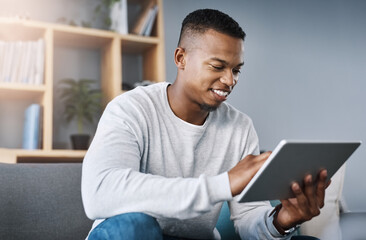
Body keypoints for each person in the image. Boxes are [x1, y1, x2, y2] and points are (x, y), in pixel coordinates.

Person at [81, 9, 329, 240]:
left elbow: (248, 218)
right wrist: (223, 184)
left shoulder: (240, 127)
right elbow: (100, 193)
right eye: (218, 66)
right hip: (129, 234)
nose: (229, 80)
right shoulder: (130, 108)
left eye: (236, 70)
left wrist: (281, 222)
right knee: (135, 225)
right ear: (181, 58)